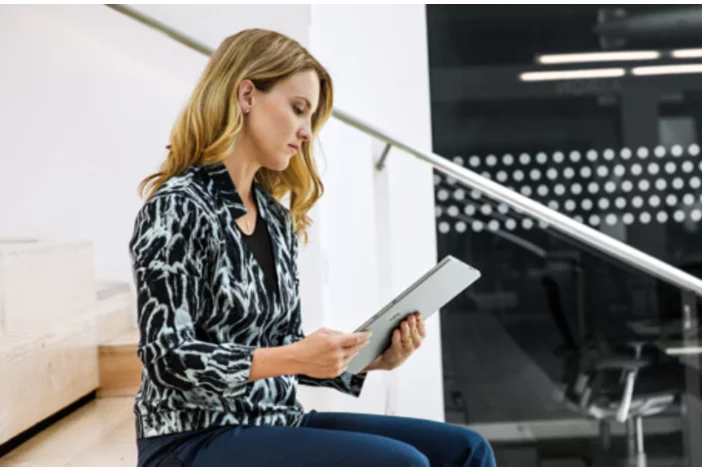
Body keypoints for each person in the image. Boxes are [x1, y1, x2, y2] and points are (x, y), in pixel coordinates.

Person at [129, 28, 496, 467]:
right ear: (246, 95)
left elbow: (280, 343)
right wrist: (293, 355)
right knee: (404, 464)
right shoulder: (177, 207)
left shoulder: (273, 217)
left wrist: (367, 360)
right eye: (298, 109)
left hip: (276, 419)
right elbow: (169, 358)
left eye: (311, 118)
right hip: (192, 437)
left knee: (467, 450)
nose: (306, 132)